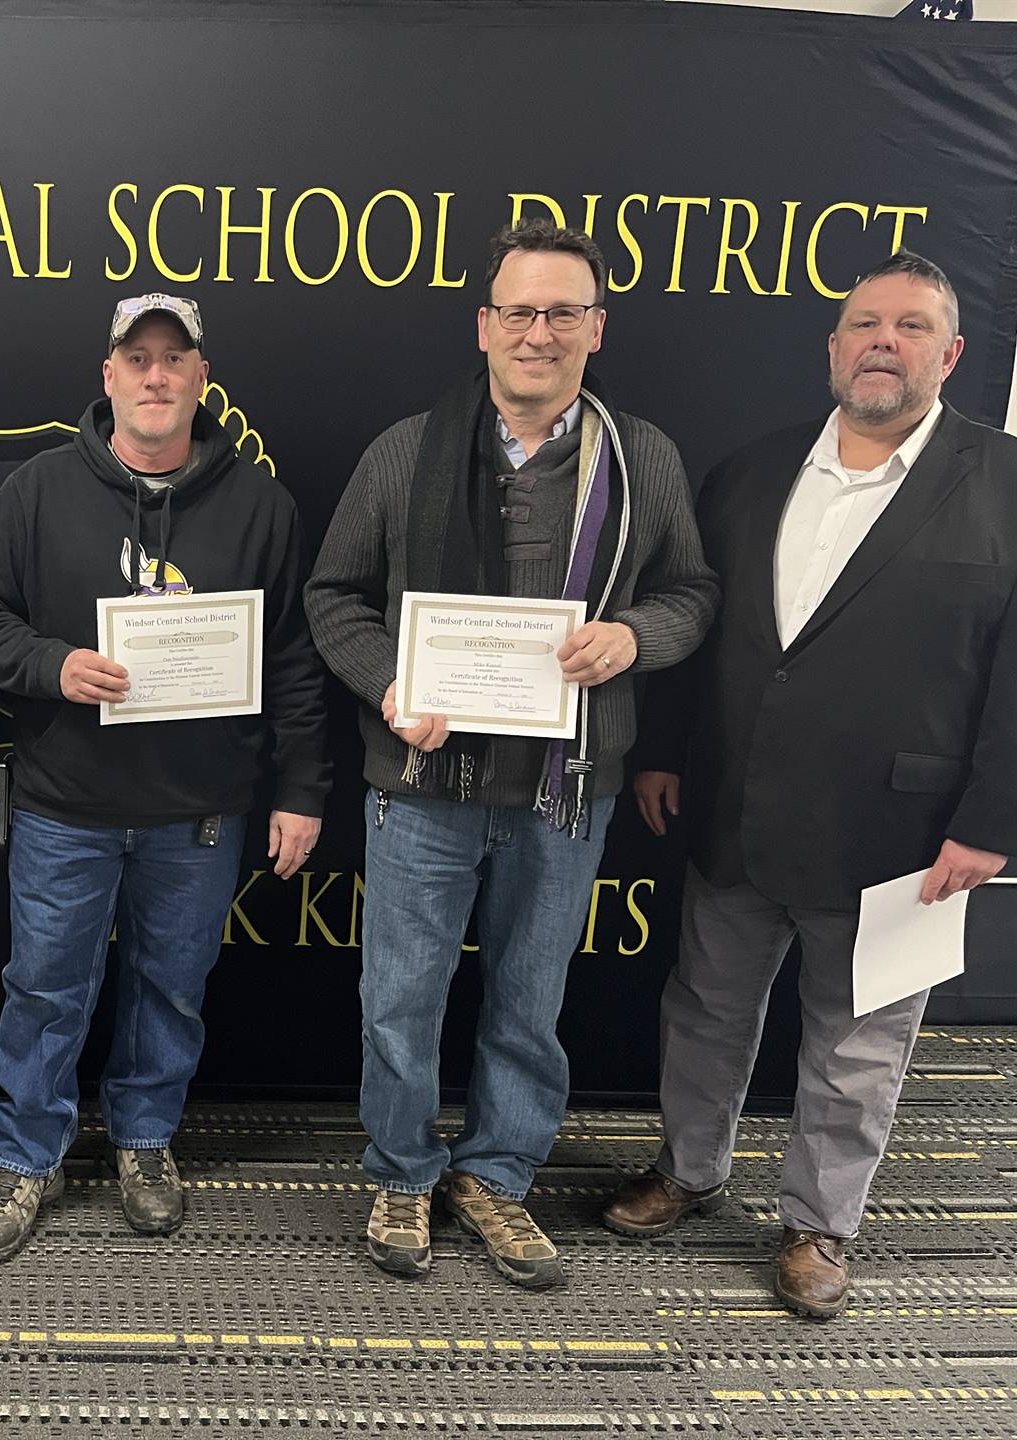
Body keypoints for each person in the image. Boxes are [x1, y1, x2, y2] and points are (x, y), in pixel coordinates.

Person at [603, 251, 1017, 1318]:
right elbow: (704, 632)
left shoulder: (1007, 483)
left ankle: (819, 1226)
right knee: (704, 1010)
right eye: (865, 322)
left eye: (911, 326)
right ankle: (690, 1173)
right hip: (734, 807)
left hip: (906, 833)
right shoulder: (750, 471)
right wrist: (662, 749)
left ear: (951, 352)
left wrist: (992, 824)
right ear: (834, 347)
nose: (884, 340)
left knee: (858, 1041)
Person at [305, 220, 717, 1289]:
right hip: (421, 784)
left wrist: (637, 637)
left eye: (563, 312)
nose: (540, 332)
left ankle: (497, 1173)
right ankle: (401, 1171)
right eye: (520, 311)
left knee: (530, 999)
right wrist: (389, 683)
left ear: (597, 328)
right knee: (400, 997)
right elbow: (332, 597)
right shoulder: (406, 451)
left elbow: (693, 594)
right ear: (485, 324)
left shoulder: (642, 460)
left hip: (564, 788)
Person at [0, 292, 330, 1264]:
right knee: (44, 988)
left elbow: (292, 658)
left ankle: (146, 1139)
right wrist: (55, 667)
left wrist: (301, 789)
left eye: (176, 358)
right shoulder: (37, 489)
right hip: (62, 805)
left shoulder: (261, 506)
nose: (157, 375)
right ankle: (25, 1153)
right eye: (139, 358)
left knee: (172, 988)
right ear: (109, 375)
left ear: (202, 377)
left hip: (198, 811)